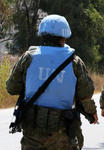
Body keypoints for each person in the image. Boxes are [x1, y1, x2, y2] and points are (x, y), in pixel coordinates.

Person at [6, 14, 98, 150]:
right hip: (63, 134)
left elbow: (11, 87)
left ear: (42, 34)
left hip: (33, 133)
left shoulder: (28, 57)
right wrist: (92, 113)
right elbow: (85, 93)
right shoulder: (74, 61)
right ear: (65, 36)